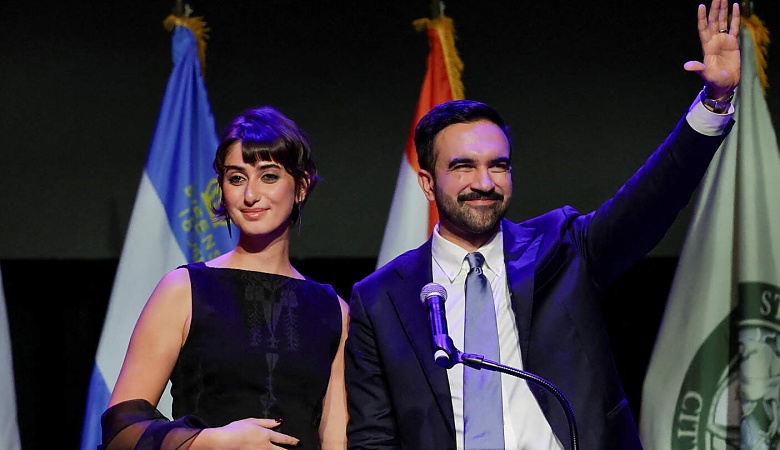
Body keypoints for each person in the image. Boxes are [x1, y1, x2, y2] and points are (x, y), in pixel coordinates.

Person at [344, 0, 741, 449]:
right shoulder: (380, 300)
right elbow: (373, 437)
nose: (484, 182)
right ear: (427, 182)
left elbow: (651, 200)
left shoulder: (563, 249)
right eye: (463, 166)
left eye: (498, 165)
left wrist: (714, 103)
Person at [99, 105, 349, 449]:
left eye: (269, 176)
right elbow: (121, 430)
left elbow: (336, 438)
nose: (250, 195)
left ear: (301, 187)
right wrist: (214, 441)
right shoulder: (184, 290)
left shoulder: (334, 310)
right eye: (236, 178)